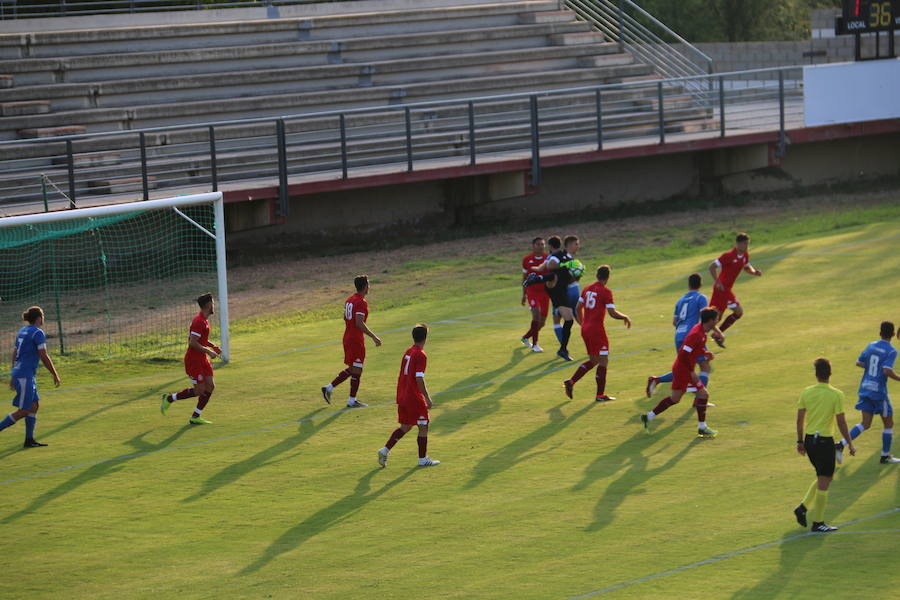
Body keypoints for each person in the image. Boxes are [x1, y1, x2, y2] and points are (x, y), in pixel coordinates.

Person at [794, 358, 855, 532]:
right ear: (830, 373)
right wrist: (849, 443)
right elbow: (841, 423)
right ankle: (818, 522)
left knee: (823, 477)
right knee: (825, 480)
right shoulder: (836, 394)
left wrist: (799, 441)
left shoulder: (806, 392)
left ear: (816, 374)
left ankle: (802, 508)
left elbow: (800, 420)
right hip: (825, 441)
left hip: (810, 440)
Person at [640, 308, 719, 437]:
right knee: (703, 394)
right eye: (716, 319)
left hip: (682, 369)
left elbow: (695, 349)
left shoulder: (701, 332)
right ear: (710, 320)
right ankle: (702, 427)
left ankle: (648, 417)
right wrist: (691, 371)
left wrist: (705, 353)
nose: (717, 321)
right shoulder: (696, 334)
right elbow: (683, 354)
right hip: (684, 370)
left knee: (675, 398)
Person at [646, 273, 722, 397]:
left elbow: (674, 322)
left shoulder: (680, 300)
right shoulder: (700, 298)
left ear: (688, 284)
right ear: (700, 284)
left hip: (679, 336)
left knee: (683, 368)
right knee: (705, 366)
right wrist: (718, 332)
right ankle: (700, 399)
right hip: (692, 337)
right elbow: (706, 317)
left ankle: (656, 380)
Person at [835, 321, 900, 464]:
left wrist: (871, 369)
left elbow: (858, 362)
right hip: (878, 392)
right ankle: (885, 456)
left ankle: (840, 445)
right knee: (888, 423)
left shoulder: (871, 345)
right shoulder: (891, 350)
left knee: (865, 423)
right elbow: (887, 370)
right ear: (893, 334)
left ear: (879, 333)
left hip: (865, 388)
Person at [564, 265, 631, 402]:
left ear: (597, 276)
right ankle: (600, 395)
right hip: (597, 330)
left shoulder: (586, 289)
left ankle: (571, 382)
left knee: (594, 360)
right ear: (607, 278)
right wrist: (624, 317)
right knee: (603, 361)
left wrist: (583, 324)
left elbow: (577, 309)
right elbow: (612, 313)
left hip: (586, 329)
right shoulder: (606, 292)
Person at [378, 324, 439, 468]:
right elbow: (419, 378)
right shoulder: (421, 354)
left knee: (406, 426)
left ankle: (384, 450)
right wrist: (427, 397)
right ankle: (423, 459)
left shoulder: (408, 351)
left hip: (402, 394)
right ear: (425, 337)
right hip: (413, 396)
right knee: (423, 425)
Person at [0, 306, 61, 447]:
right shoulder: (37, 333)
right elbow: (44, 356)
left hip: (23, 374)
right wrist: (55, 374)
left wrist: (13, 373)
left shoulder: (23, 331)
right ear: (39, 318)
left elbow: (15, 353)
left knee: (34, 405)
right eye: (43, 316)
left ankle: (29, 440)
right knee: (25, 410)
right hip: (24, 375)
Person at [322, 275, 382, 408]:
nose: (369, 287)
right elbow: (359, 323)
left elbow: (345, 317)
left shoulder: (349, 299)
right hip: (355, 339)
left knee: (354, 368)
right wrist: (373, 336)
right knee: (357, 369)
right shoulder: (361, 302)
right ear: (365, 286)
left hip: (348, 336)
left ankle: (332, 390)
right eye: (368, 284)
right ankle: (348, 399)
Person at [161, 293, 221, 425]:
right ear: (208, 305)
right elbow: (192, 343)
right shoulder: (198, 321)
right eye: (213, 303)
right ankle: (169, 399)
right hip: (194, 361)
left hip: (202, 359)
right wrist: (208, 351)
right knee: (199, 391)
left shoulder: (204, 320)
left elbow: (201, 340)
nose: (214, 305)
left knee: (210, 386)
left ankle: (195, 416)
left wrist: (213, 346)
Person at [524, 234, 581, 361]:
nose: (578, 246)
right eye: (576, 244)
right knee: (566, 317)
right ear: (569, 245)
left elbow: (563, 273)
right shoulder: (559, 256)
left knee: (569, 320)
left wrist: (577, 273)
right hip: (554, 289)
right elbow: (550, 267)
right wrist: (567, 266)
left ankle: (563, 350)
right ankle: (562, 349)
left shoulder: (571, 258)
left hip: (561, 289)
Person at [708, 232, 762, 345]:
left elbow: (746, 267)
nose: (747, 246)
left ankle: (717, 334)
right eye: (745, 244)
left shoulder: (745, 255)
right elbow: (712, 267)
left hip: (727, 290)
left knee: (737, 313)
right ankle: (698, 339)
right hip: (720, 291)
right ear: (738, 244)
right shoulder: (728, 256)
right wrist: (717, 282)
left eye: (748, 244)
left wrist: (754, 272)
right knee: (713, 320)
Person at [520, 237, 549, 353]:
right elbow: (524, 278)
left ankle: (526, 337)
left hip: (545, 293)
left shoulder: (548, 259)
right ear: (533, 246)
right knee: (535, 314)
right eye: (538, 244)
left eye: (542, 244)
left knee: (542, 323)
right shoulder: (527, 260)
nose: (541, 246)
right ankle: (535, 344)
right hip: (532, 291)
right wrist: (524, 294)